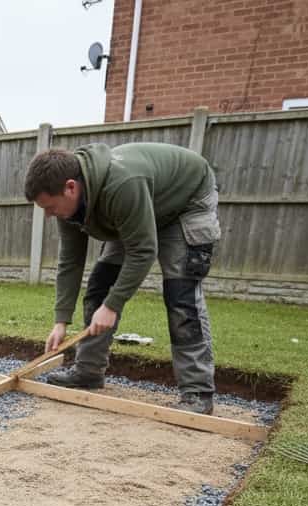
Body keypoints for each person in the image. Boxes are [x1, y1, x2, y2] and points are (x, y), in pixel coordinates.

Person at [23, 142, 221, 414]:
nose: (47, 214)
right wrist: (61, 321)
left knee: (181, 295)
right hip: (136, 210)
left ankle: (197, 392)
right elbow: (70, 262)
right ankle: (88, 372)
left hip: (184, 202)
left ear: (70, 187)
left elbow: (144, 250)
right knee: (100, 285)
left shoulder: (121, 183)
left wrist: (112, 306)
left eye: (49, 206)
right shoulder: (68, 205)